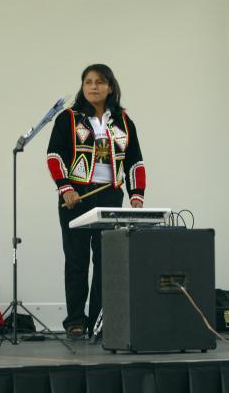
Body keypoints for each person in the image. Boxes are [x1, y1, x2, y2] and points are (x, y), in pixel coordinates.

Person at [46, 63, 146, 340]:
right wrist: (65, 188)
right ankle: (75, 321)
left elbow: (135, 161)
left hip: (111, 197)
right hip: (76, 198)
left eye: (100, 82)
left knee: (106, 262)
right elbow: (54, 156)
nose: (93, 86)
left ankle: (100, 320)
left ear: (110, 87)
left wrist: (136, 195)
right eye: (88, 81)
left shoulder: (124, 122)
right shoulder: (68, 118)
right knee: (76, 261)